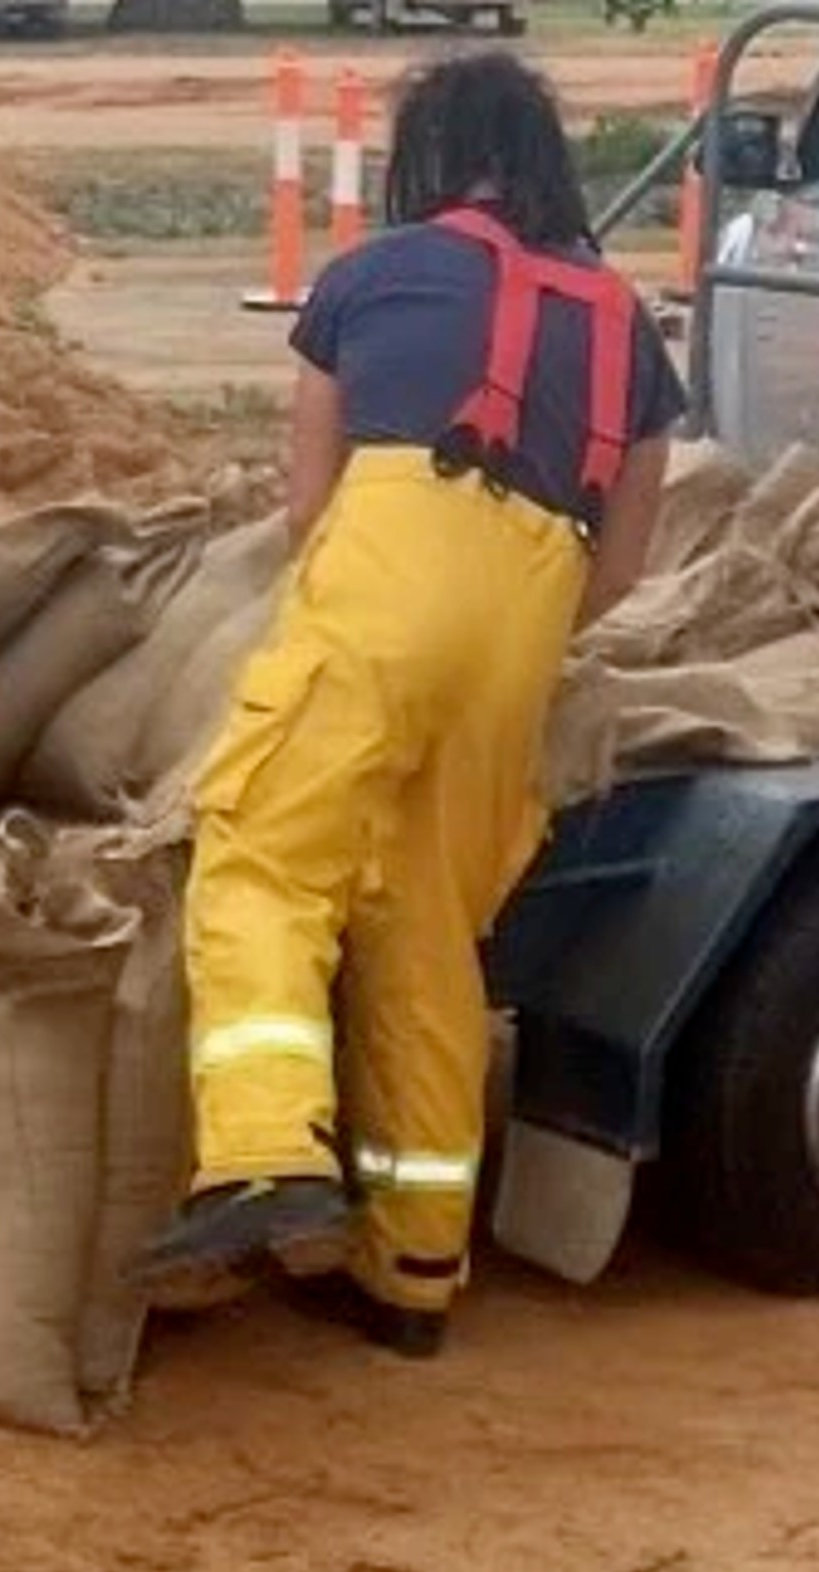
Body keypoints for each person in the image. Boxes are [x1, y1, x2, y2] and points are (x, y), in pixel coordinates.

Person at [132, 53, 675, 1355]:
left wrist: (383, 616)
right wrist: (503, 617)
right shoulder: (627, 328)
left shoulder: (369, 278)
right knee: (427, 933)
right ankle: (414, 1268)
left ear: (423, 163)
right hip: (523, 632)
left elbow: (312, 506)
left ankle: (261, 1157)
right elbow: (623, 566)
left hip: (382, 590)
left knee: (261, 863)